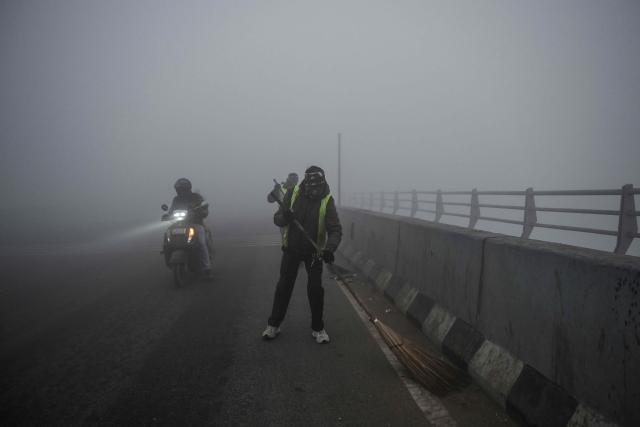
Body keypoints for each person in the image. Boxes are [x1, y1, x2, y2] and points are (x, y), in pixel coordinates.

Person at [262, 166, 342, 343]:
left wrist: (330, 248)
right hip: (291, 250)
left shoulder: (327, 200)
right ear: (306, 184)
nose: (315, 191)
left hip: (314, 253)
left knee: (315, 290)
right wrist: (286, 217)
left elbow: (335, 229)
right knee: (284, 287)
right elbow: (277, 219)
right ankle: (273, 325)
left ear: (322, 184)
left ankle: (318, 328)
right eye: (312, 188)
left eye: (318, 188)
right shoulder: (293, 193)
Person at [168, 178, 213, 278]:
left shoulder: (196, 197)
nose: (181, 191)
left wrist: (202, 211)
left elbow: (204, 207)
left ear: (188, 188)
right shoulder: (176, 199)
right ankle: (168, 253)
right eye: (179, 189)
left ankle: (207, 269)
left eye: (183, 189)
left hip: (196, 223)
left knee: (201, 243)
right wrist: (167, 215)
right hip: (179, 224)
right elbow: (171, 210)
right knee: (167, 237)